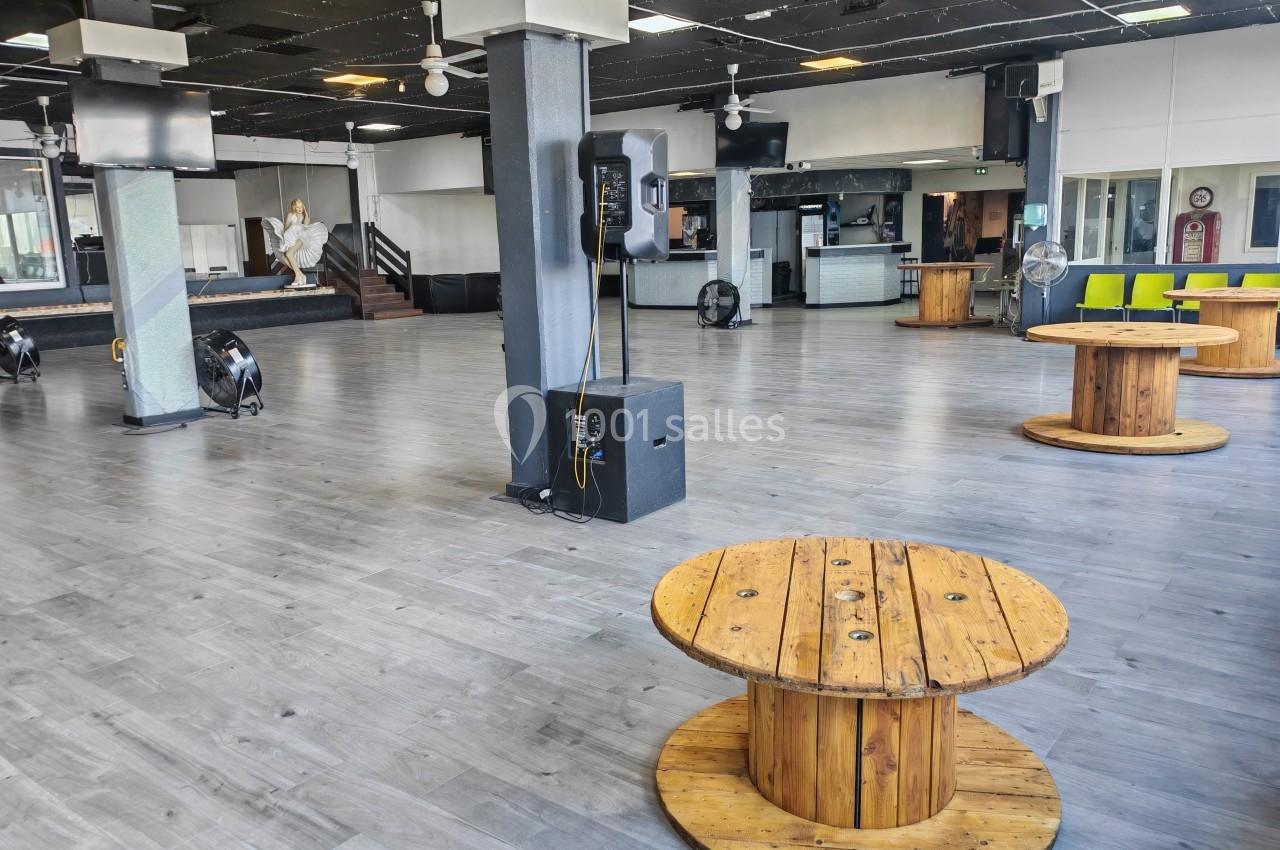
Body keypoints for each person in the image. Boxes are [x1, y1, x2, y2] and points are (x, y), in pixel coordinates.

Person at [271, 199, 328, 288]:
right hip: (291, 239)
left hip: (301, 239)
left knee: (289, 254)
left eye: (301, 207)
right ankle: (300, 275)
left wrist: (306, 218)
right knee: (283, 257)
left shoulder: (305, 217)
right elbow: (285, 228)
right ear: (294, 208)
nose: (300, 209)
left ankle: (299, 276)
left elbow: (305, 230)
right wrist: (287, 238)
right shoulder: (290, 215)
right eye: (297, 207)